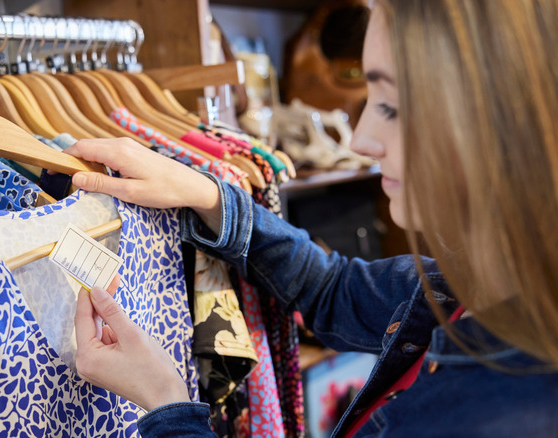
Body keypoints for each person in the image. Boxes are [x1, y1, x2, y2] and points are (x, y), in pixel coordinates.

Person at [66, 0, 558, 436]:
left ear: (500, 125)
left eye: (390, 107)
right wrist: (207, 194)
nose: (361, 138)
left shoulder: (520, 410)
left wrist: (166, 404)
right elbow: (330, 288)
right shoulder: (462, 292)